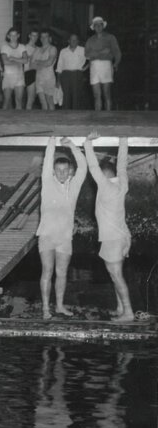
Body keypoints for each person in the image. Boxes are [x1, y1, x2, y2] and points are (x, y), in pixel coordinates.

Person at [85, 134, 135, 323]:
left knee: (116, 276)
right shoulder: (122, 184)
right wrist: (123, 141)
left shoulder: (105, 187)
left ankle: (128, 312)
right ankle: (120, 308)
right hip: (121, 236)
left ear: (104, 177)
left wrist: (87, 143)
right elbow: (122, 164)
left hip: (112, 238)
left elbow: (92, 166)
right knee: (116, 275)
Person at [35, 137, 87, 320]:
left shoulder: (74, 186)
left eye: (65, 170)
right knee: (47, 271)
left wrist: (72, 145)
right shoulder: (48, 183)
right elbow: (48, 159)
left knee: (62, 273)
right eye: (58, 170)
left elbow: (83, 166)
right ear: (53, 172)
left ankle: (59, 306)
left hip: (65, 238)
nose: (62, 173)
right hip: (47, 236)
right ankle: (45, 309)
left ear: (69, 171)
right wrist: (52, 140)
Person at [85, 17, 121, 111]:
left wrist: (116, 63)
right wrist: (102, 52)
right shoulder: (90, 40)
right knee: (96, 95)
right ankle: (98, 119)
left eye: (100, 24)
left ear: (103, 25)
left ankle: (107, 118)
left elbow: (117, 52)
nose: (98, 26)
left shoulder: (110, 37)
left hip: (106, 66)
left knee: (107, 94)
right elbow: (87, 54)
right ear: (93, 27)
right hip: (94, 67)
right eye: (96, 25)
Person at [56, 33, 88, 110]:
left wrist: (85, 68)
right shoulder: (63, 51)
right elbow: (59, 66)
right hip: (65, 75)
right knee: (66, 97)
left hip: (77, 74)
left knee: (76, 97)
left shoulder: (83, 50)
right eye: (72, 39)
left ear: (78, 41)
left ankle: (76, 118)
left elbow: (91, 59)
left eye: (75, 39)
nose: (74, 41)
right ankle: (66, 118)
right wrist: (58, 80)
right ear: (68, 41)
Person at [0, 27, 28, 110]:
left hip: (19, 77)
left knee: (19, 101)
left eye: (15, 35)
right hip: (8, 77)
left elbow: (26, 60)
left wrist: (13, 58)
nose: (13, 37)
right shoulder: (4, 47)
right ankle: (2, 122)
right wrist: (20, 61)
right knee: (6, 101)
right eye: (11, 35)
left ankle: (18, 122)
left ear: (18, 36)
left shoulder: (22, 47)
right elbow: (5, 62)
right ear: (8, 36)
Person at [32, 30, 59, 111]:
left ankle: (52, 121)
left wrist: (38, 62)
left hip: (49, 77)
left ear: (49, 38)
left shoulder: (52, 48)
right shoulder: (37, 50)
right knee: (42, 102)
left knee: (49, 100)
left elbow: (49, 62)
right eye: (42, 37)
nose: (43, 38)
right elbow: (32, 65)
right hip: (39, 78)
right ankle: (45, 122)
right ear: (40, 38)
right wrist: (42, 63)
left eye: (46, 37)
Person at [24, 29, 40, 110]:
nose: (35, 37)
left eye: (36, 36)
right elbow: (29, 63)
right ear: (29, 36)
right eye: (33, 35)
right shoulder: (25, 47)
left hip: (37, 74)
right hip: (29, 73)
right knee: (30, 99)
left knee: (33, 98)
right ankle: (26, 119)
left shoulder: (38, 48)